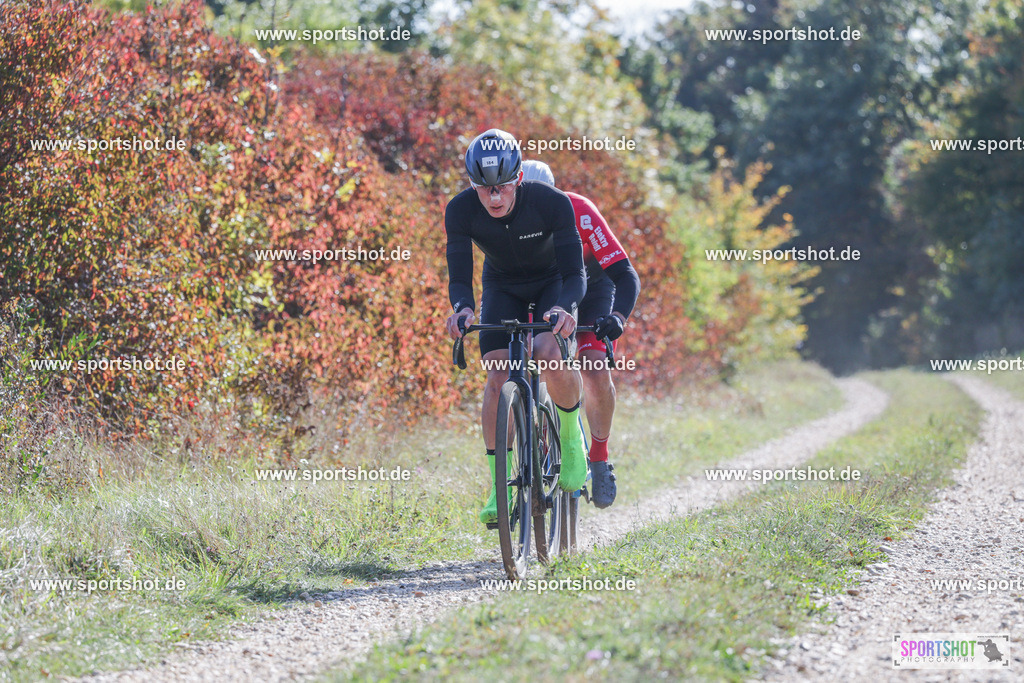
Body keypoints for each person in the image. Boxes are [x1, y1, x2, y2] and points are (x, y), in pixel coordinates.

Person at [444, 129, 589, 525]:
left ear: (518, 179)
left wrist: (565, 307)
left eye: (502, 188)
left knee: (546, 351)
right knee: (496, 372)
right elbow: (460, 275)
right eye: (483, 188)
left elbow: (576, 273)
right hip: (502, 284)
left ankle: (572, 436)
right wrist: (461, 309)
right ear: (472, 184)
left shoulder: (551, 203)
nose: (494, 198)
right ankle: (497, 484)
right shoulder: (459, 210)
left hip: (552, 282)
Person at [519, 160, 641, 509]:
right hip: (547, 289)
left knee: (592, 365)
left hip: (593, 288)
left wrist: (617, 316)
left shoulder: (581, 212)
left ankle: (599, 458)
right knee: (529, 348)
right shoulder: (509, 218)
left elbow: (625, 273)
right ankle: (538, 436)